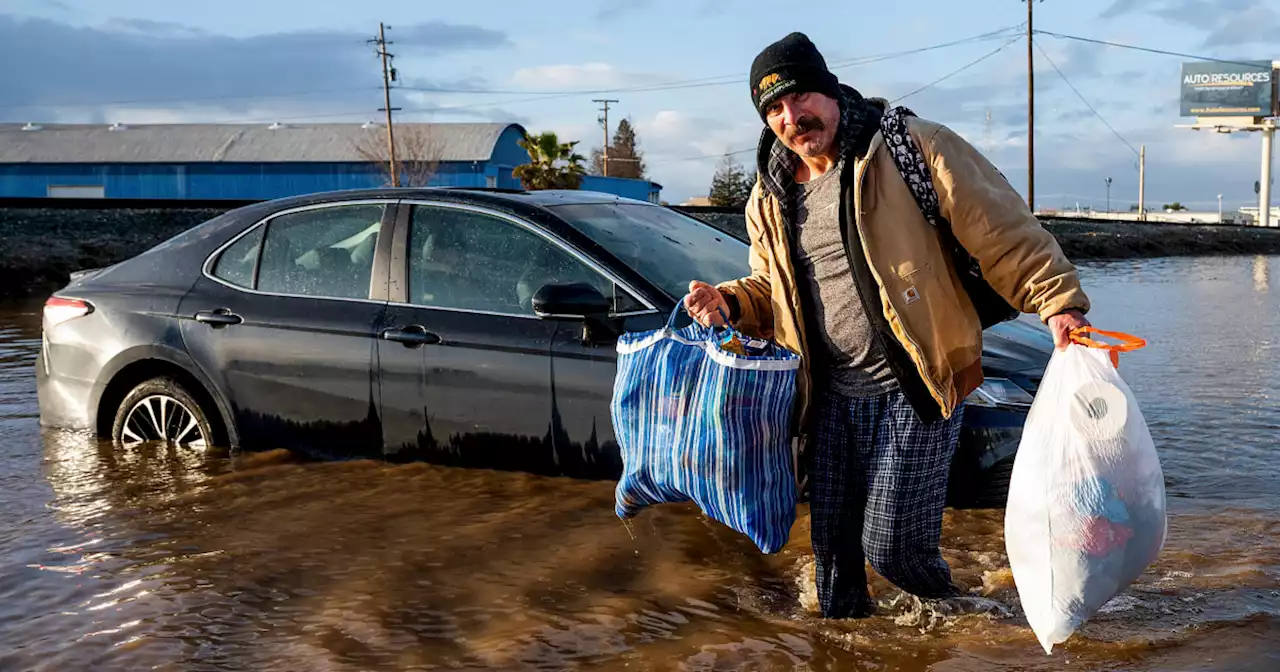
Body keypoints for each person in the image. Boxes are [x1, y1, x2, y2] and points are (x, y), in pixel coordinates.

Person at [684, 32, 1092, 619]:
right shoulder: (767, 197)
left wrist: (1058, 302)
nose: (792, 117)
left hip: (917, 384)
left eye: (801, 98)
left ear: (829, 91)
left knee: (894, 546)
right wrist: (728, 302)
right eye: (774, 108)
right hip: (825, 398)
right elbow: (772, 292)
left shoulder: (910, 147)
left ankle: (971, 621)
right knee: (834, 574)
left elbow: (1001, 229)